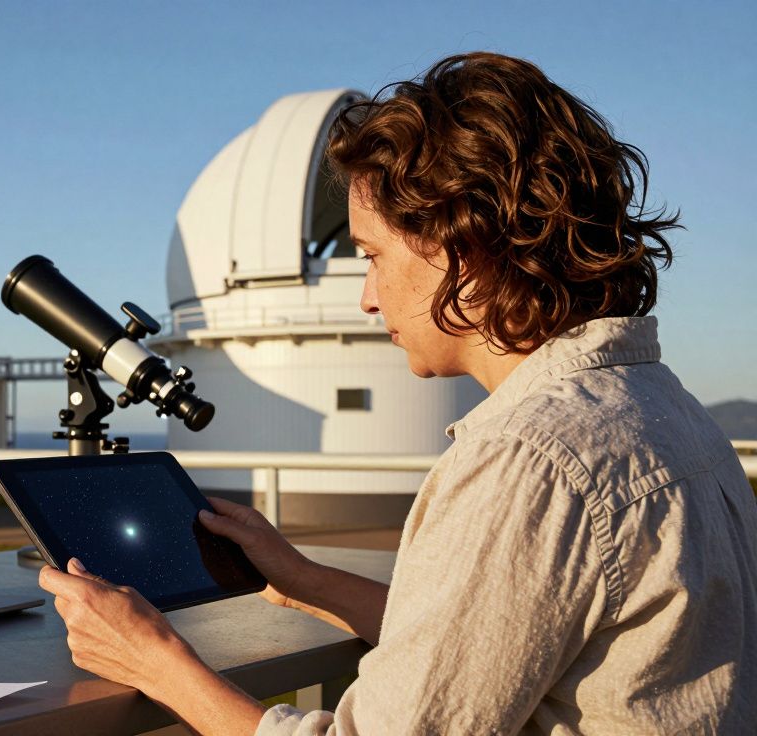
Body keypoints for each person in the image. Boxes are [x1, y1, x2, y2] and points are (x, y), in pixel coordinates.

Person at [38, 52, 757, 734]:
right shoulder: (661, 407)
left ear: (464, 248)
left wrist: (155, 661)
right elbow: (483, 643)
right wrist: (301, 578)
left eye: (373, 256)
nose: (368, 298)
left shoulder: (530, 461)